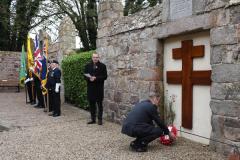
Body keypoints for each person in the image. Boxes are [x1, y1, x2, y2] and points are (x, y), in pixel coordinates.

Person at [84, 52, 107, 125]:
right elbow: (84, 76)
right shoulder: (87, 66)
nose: (95, 58)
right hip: (90, 88)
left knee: (99, 105)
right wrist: (89, 79)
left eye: (96, 57)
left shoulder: (103, 66)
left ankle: (100, 119)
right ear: (92, 58)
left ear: (98, 58)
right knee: (92, 105)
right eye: (94, 57)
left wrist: (96, 78)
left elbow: (105, 76)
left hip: (99, 88)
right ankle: (93, 119)